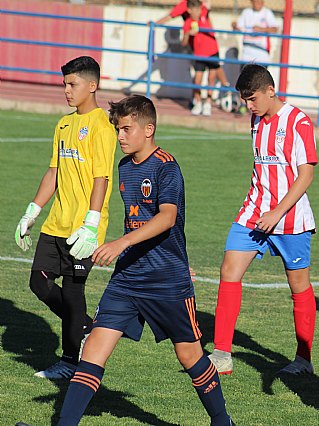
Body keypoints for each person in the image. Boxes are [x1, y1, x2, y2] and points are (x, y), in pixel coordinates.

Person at [53, 95, 233, 426]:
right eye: (117, 129)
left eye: (126, 129)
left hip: (166, 281)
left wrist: (120, 243)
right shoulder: (124, 167)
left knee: (189, 355)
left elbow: (167, 218)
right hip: (127, 279)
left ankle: (223, 422)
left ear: (148, 129)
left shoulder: (166, 167)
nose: (120, 136)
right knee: (93, 348)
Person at [210, 64, 317, 376]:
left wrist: (278, 212)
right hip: (254, 212)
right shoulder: (256, 119)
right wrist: (264, 210)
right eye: (244, 100)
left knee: (298, 285)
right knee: (229, 269)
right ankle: (221, 354)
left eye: (252, 98)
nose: (248, 105)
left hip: (290, 217)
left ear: (271, 91)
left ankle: (303, 360)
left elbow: (306, 173)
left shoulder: (298, 121)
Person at [14, 56, 116, 380]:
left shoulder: (102, 126)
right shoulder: (63, 124)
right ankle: (85, 323)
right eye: (64, 84)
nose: (67, 90)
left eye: (72, 84)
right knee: (38, 282)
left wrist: (91, 222)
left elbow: (102, 178)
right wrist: (32, 210)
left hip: (84, 227)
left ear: (92, 86)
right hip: (56, 222)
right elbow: (54, 171)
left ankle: (70, 360)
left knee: (73, 292)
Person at [181, 0, 230, 116]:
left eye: (199, 9)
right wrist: (188, 34)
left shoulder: (204, 15)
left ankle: (208, 103)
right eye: (195, 10)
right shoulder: (188, 22)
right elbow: (183, 43)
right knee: (197, 80)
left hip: (212, 51)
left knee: (211, 78)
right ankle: (198, 102)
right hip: (199, 54)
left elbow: (208, 4)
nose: (198, 12)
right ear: (189, 10)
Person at [232, 0, 279, 66]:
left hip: (261, 51)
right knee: (245, 74)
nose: (258, 4)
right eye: (256, 2)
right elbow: (239, 28)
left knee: (261, 75)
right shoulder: (246, 12)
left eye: (260, 2)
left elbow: (275, 29)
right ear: (252, 2)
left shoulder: (267, 13)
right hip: (247, 51)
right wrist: (234, 26)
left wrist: (261, 29)